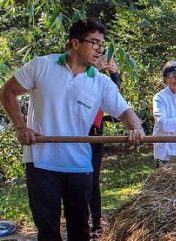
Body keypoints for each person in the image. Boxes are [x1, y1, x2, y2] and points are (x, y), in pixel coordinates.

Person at [0, 18, 145, 241]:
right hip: (41, 161)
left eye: (102, 44)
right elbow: (7, 92)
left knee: (80, 230)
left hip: (78, 164)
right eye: (94, 43)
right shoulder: (42, 66)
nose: (100, 50)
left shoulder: (100, 82)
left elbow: (126, 112)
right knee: (48, 231)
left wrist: (135, 129)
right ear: (75, 43)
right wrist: (21, 127)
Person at [88, 55, 121, 239]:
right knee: (77, 181)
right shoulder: (81, 75)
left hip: (95, 135)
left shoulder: (102, 81)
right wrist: (97, 69)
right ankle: (80, 222)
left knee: (93, 181)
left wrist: (115, 74)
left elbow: (115, 100)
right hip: (75, 136)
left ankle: (96, 224)